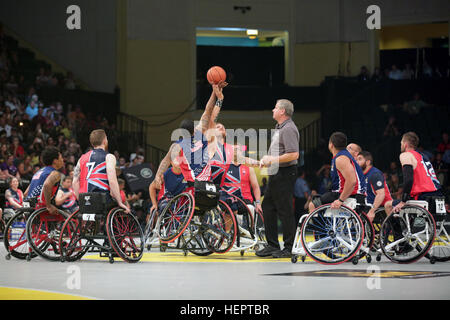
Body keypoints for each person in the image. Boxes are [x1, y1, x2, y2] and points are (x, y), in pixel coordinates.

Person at [255, 99, 299, 258]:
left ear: (282, 111)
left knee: (285, 210)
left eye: (275, 108)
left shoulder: (289, 129)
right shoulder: (280, 127)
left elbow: (294, 154)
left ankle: (289, 247)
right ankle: (273, 245)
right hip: (277, 172)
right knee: (268, 206)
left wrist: (272, 160)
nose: (272, 110)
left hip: (285, 172)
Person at [72, 129, 129, 213]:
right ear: (105, 141)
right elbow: (112, 180)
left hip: (84, 199)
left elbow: (74, 182)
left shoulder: (82, 158)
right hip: (101, 199)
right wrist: (120, 202)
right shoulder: (109, 157)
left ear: (92, 143)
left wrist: (79, 200)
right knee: (121, 208)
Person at [309, 132, 366, 213]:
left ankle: (314, 226)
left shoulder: (341, 158)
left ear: (331, 144)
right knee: (320, 197)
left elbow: (352, 181)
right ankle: (323, 224)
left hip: (352, 195)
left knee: (313, 204)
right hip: (354, 193)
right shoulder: (343, 156)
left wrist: (340, 200)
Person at [390, 132, 443, 214]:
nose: (400, 146)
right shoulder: (423, 156)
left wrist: (403, 201)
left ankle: (394, 227)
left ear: (405, 144)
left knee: (388, 205)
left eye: (401, 143)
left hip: (423, 197)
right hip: (438, 195)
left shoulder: (406, 155)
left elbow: (408, 180)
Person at [24, 147, 65, 214]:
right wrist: (48, 205)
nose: (63, 160)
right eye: (61, 158)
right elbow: (47, 185)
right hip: (40, 207)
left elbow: (25, 193)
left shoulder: (38, 172)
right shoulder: (55, 173)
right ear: (55, 160)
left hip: (29, 207)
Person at [356, 151, 393, 222]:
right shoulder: (361, 175)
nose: (357, 162)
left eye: (360, 159)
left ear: (368, 162)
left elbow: (381, 194)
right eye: (356, 160)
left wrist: (372, 211)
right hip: (369, 206)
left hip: (382, 208)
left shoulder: (374, 174)